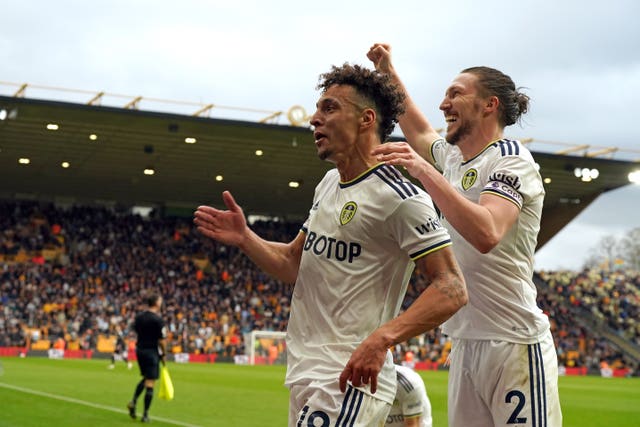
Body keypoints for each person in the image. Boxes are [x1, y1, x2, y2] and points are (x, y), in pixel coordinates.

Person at [194, 63, 467, 427]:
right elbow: (293, 262)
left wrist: (382, 339)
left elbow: (451, 287)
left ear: (366, 119)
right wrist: (246, 238)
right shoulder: (327, 185)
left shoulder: (400, 197)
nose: (314, 119)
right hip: (306, 369)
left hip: (349, 376)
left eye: (329, 108)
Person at [367, 44, 562, 426]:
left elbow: (487, 232)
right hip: (466, 343)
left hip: (514, 343)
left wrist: (423, 171)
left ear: (489, 105)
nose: (444, 104)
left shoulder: (511, 160)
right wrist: (387, 71)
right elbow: (418, 127)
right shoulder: (455, 159)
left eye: (455, 93)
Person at [127, 293, 167, 423]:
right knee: (150, 383)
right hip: (151, 351)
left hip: (140, 350)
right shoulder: (158, 320)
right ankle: (145, 415)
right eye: (160, 301)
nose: (162, 303)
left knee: (145, 378)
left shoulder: (139, 317)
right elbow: (162, 340)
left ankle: (133, 401)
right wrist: (164, 354)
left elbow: (136, 331)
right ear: (156, 303)